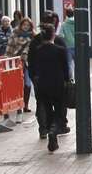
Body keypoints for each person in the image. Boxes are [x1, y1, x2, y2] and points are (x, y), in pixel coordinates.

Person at [28, 24, 71, 152]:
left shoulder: (37, 50)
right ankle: (54, 130)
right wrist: (67, 81)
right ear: (53, 35)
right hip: (58, 85)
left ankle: (50, 129)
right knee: (59, 110)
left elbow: (32, 67)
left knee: (47, 109)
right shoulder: (60, 50)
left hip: (42, 85)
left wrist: (34, 79)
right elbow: (66, 69)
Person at [6, 16, 35, 113]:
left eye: (28, 25)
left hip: (28, 63)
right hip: (16, 62)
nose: (26, 26)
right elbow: (9, 48)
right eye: (24, 24)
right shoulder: (15, 34)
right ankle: (18, 105)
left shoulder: (33, 36)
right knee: (17, 84)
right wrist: (8, 61)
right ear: (21, 25)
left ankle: (25, 105)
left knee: (27, 84)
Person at [59, 8, 77, 80]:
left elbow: (61, 35)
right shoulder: (78, 22)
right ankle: (79, 78)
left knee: (69, 64)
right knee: (78, 64)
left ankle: (71, 79)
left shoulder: (64, 24)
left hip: (68, 46)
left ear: (66, 14)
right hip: (77, 46)